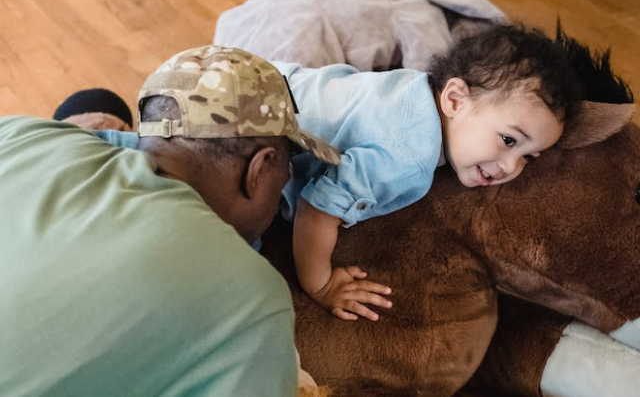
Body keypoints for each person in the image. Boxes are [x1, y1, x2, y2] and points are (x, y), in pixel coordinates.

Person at [61, 23, 583, 323]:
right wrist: (321, 284)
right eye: (509, 141)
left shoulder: (406, 88)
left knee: (148, 150)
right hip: (255, 143)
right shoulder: (411, 158)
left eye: (528, 157)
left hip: (245, 90)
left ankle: (77, 139)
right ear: (454, 99)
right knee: (236, 251)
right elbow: (318, 203)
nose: (511, 167)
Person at [0, 46, 339, 397]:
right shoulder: (249, 298)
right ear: (260, 167)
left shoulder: (24, 132)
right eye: (286, 172)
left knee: (98, 100)